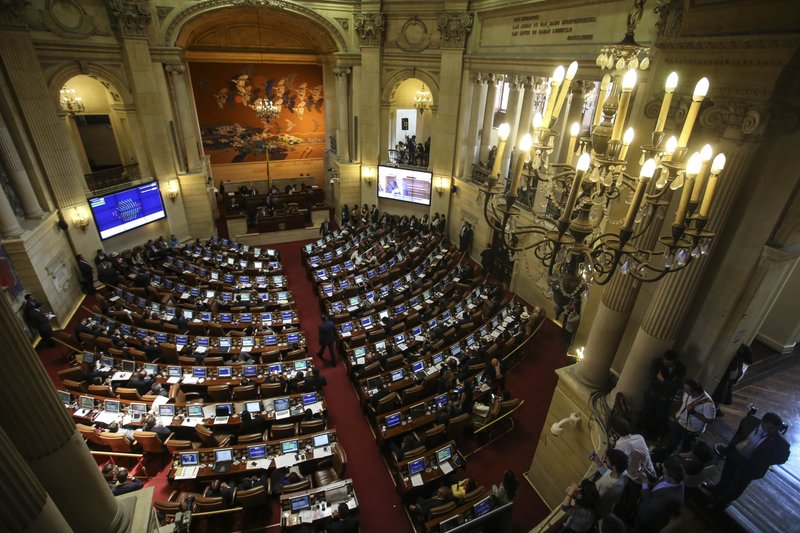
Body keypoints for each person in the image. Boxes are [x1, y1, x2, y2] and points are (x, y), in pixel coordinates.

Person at [704, 412, 790, 507]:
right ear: (763, 422)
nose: (773, 431)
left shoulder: (782, 443)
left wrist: (764, 462)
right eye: (770, 427)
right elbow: (739, 434)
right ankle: (717, 490)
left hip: (751, 467)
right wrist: (732, 450)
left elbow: (782, 459)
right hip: (735, 456)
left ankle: (724, 502)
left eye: (776, 429)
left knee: (738, 486)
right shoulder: (749, 421)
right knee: (726, 475)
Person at [639, 350, 686, 440]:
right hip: (654, 395)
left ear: (674, 361)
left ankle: (652, 437)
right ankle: (640, 434)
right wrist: (670, 383)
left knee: (660, 419)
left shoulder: (681, 368)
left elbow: (678, 385)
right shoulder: (657, 363)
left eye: (667, 362)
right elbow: (653, 380)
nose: (664, 363)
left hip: (667, 399)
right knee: (646, 415)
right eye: (664, 360)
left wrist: (663, 381)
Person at [634, 458, 685, 532]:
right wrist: (647, 472)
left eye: (664, 471)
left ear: (670, 477)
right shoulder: (675, 479)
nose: (662, 471)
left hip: (649, 520)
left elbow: (648, 504)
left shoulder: (669, 498)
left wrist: (644, 481)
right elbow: (658, 481)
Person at [665, 378, 715, 454]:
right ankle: (667, 455)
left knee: (685, 448)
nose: (685, 391)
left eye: (687, 390)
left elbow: (710, 421)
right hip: (680, 423)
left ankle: (680, 460)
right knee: (672, 441)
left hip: (692, 429)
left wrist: (694, 413)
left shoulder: (708, 404)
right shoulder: (687, 393)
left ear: (695, 392)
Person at [711, 344, 754, 417]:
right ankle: (713, 409)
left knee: (719, 397)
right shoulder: (736, 361)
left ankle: (715, 408)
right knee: (719, 396)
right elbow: (733, 372)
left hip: (728, 382)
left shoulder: (739, 360)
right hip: (726, 382)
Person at [590, 449, 628, 515]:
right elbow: (607, 474)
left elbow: (593, 501)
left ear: (614, 467)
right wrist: (597, 460)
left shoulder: (608, 487)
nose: (605, 460)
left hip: (595, 511)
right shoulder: (623, 473)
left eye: (607, 460)